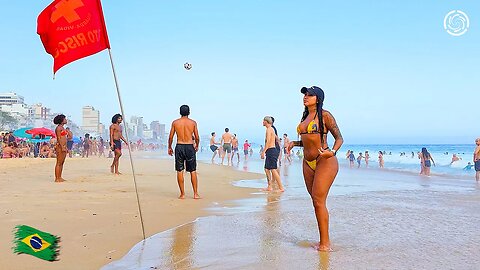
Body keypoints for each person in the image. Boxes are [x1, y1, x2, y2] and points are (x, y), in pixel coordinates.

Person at [287, 86, 343, 252]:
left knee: (319, 201)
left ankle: (325, 244)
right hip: (307, 162)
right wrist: (295, 143)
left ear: (317, 98)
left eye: (310, 95)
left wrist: (331, 151)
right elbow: (308, 141)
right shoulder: (305, 117)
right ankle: (322, 241)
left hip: (324, 160)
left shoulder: (325, 115)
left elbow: (339, 138)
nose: (306, 96)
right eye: (305, 94)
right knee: (316, 202)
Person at [168, 105, 200, 199]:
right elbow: (197, 137)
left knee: (179, 170)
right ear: (189, 112)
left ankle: (182, 194)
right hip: (190, 146)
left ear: (180, 112)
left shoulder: (175, 122)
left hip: (180, 146)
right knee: (193, 170)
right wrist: (197, 145)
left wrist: (169, 147)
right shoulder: (193, 123)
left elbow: (170, 137)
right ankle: (195, 194)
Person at [261, 116, 284, 192]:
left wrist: (263, 151)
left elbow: (268, 142)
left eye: (263, 120)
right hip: (271, 151)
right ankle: (269, 186)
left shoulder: (269, 129)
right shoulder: (271, 129)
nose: (262, 122)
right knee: (266, 169)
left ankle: (281, 188)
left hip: (271, 150)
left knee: (273, 169)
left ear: (266, 121)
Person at [53, 114, 68, 182]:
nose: (66, 120)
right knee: (59, 162)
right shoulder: (59, 128)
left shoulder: (62, 128)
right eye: (65, 119)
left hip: (63, 146)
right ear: (62, 120)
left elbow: (64, 137)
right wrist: (62, 147)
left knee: (62, 162)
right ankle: (57, 178)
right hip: (60, 146)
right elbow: (59, 138)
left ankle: (60, 177)